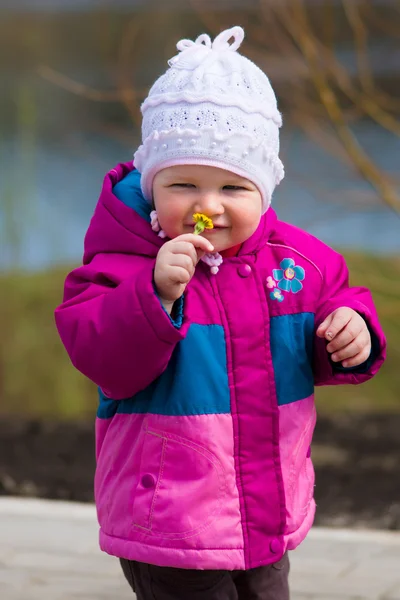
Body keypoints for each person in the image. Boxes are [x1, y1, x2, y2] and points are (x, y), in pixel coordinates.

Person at [55, 26, 386, 600]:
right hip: (171, 521)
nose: (207, 207)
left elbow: (338, 300)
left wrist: (351, 330)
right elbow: (100, 354)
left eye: (233, 188)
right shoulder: (123, 263)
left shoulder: (298, 263)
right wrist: (154, 295)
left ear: (265, 189)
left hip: (267, 511)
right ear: (153, 185)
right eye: (184, 184)